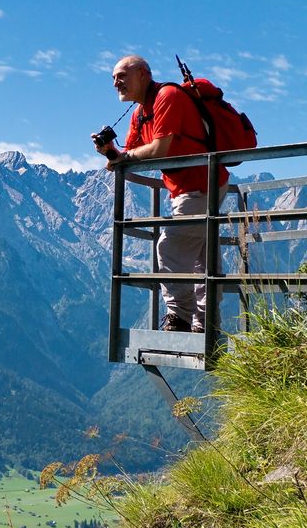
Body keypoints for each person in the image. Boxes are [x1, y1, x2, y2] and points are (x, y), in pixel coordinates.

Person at [93, 54, 229, 334]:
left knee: (169, 245)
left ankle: (179, 318)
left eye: (122, 75)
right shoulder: (139, 112)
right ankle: (206, 324)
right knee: (203, 256)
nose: (116, 83)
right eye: (113, 78)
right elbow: (125, 156)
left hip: (201, 184)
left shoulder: (167, 96)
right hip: (193, 187)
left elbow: (159, 149)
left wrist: (123, 156)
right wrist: (109, 152)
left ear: (143, 73)